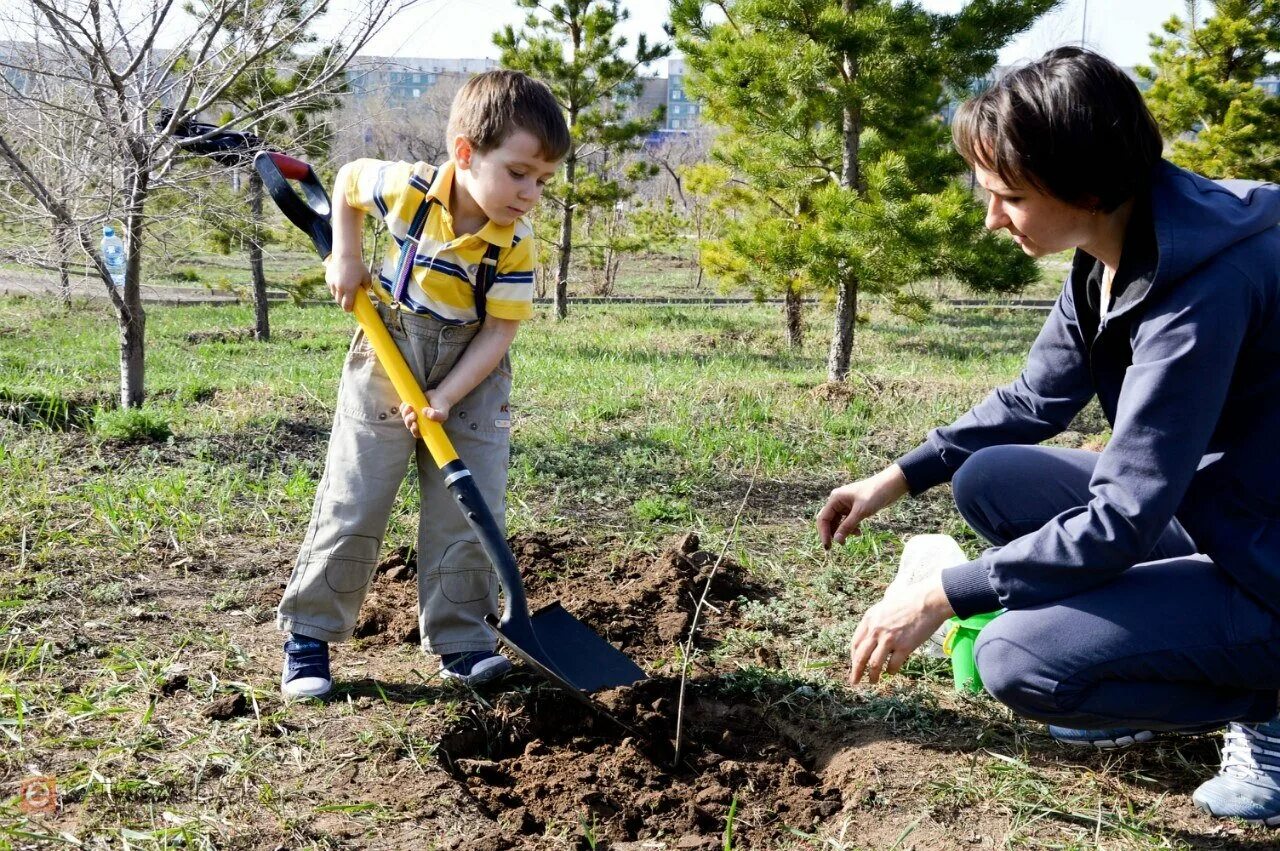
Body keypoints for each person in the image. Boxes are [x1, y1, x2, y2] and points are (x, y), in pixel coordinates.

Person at [816, 47, 1280, 827]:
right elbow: (1036, 395)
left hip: (1266, 564)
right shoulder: (1119, 243)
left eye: (1010, 197)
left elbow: (1123, 514)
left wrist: (941, 592)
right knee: (990, 479)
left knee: (1015, 657)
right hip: (1229, 510)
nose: (991, 217)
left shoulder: (1202, 290)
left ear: (1087, 186)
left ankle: (1265, 702)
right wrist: (896, 476)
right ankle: (1163, 640)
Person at [276, 70, 569, 696]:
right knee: (356, 498)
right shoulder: (409, 190)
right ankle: (310, 636)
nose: (530, 193)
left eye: (542, 180)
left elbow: (497, 334)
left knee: (469, 509)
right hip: (388, 354)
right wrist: (348, 255)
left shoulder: (515, 245)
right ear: (465, 153)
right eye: (518, 173)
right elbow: (349, 181)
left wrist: (443, 398)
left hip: (473, 376)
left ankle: (464, 641)